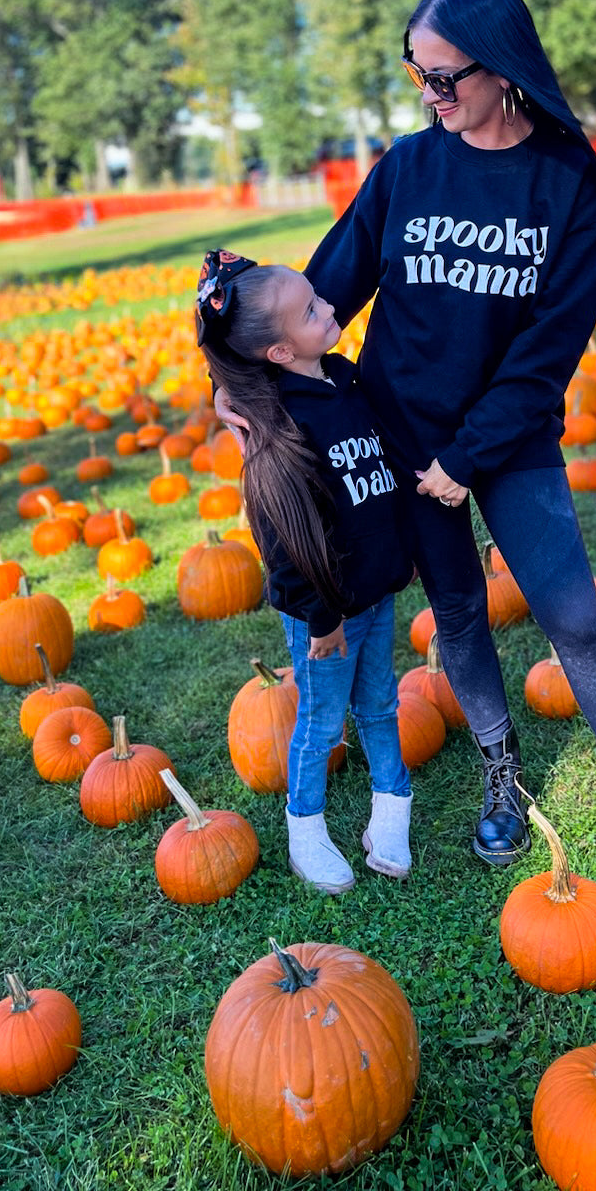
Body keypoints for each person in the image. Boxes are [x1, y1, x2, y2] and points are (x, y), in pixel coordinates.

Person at [217, 0, 596, 895]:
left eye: (445, 79)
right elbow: (316, 296)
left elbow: (548, 353)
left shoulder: (571, 184)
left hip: (501, 443)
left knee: (574, 614)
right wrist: (241, 389)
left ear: (502, 67)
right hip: (394, 443)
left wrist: (463, 460)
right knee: (460, 614)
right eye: (416, 77)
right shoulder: (407, 167)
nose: (431, 98)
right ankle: (500, 771)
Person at [196, 248, 414, 895]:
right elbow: (284, 541)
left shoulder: (343, 381)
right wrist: (321, 621)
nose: (329, 309)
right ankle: (305, 828)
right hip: (329, 613)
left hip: (376, 592)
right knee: (321, 722)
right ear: (280, 354)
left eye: (319, 299)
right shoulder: (280, 426)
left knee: (381, 703)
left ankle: (391, 807)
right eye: (313, 310)